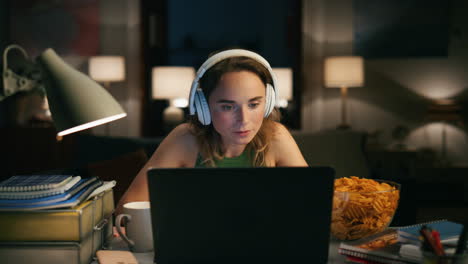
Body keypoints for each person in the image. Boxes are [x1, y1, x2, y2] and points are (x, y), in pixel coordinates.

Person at [118, 49, 308, 207]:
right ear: (203, 107)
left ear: (267, 104)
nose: (244, 119)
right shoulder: (185, 138)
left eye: (253, 104)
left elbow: (314, 202)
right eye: (228, 107)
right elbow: (129, 206)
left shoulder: (277, 136)